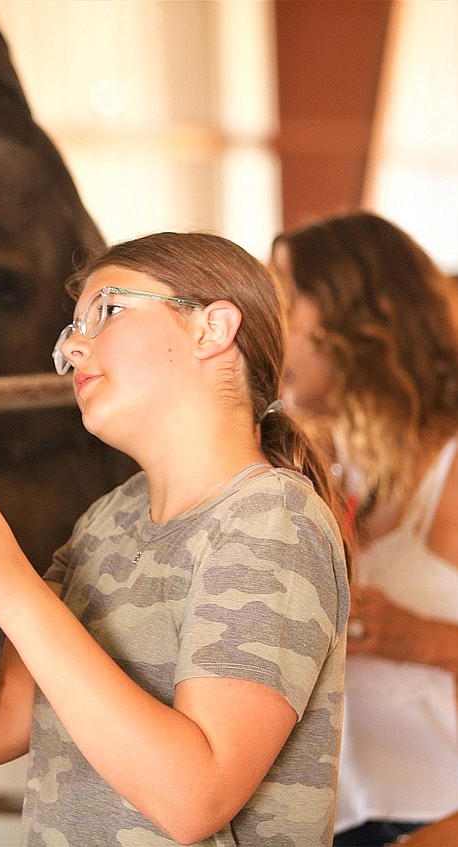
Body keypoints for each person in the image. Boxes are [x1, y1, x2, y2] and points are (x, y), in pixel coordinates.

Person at [0, 231, 350, 846]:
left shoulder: (271, 516)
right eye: (71, 328)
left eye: (108, 311)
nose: (72, 347)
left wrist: (12, 586)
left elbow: (194, 799)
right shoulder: (106, 522)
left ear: (213, 328)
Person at [272, 211, 458, 846]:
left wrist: (423, 639)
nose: (267, 327)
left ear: (358, 316)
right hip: (339, 822)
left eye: (285, 297)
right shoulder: (329, 478)